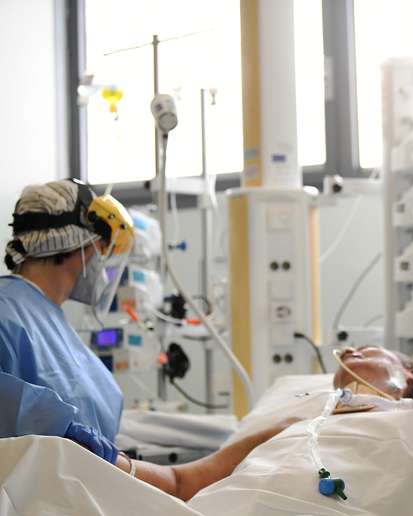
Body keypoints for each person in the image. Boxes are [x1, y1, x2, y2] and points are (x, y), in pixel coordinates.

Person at [0, 179, 297, 501]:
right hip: (65, 491)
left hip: (87, 479)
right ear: (80, 246)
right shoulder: (9, 314)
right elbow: (52, 436)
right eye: (103, 247)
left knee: (227, 431)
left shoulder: (43, 314)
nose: (104, 261)